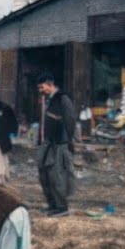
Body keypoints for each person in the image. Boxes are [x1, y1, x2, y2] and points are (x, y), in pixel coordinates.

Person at [36, 73, 77, 217]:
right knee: (44, 175)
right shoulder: (47, 100)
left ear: (50, 84)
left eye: (42, 87)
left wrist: (67, 140)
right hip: (46, 144)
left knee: (56, 176)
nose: (41, 90)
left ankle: (62, 207)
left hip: (58, 144)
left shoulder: (62, 99)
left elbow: (70, 121)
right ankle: (52, 204)